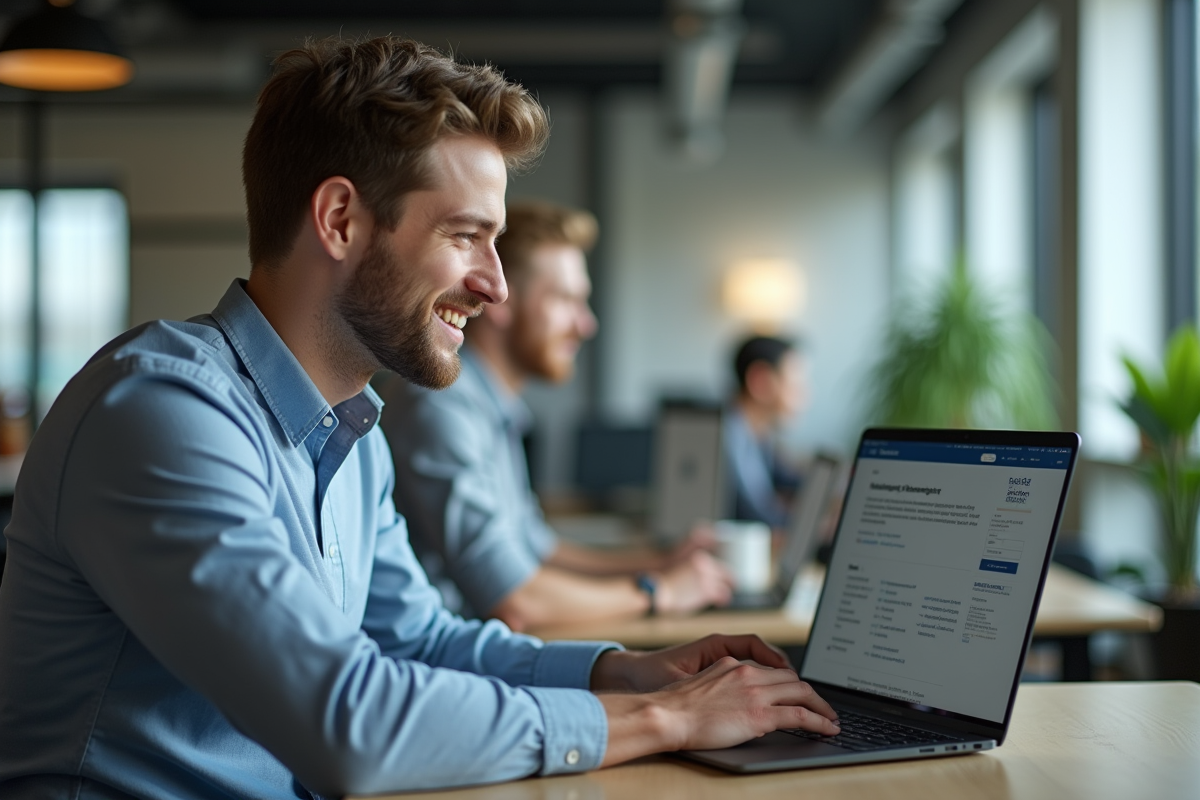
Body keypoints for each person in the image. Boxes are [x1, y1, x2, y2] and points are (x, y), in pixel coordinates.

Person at [0, 38, 839, 799]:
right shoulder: (160, 412)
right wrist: (671, 720)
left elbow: (421, 642)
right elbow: (346, 724)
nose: (496, 286)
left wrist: (628, 673)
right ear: (339, 221)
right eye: (466, 237)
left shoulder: (352, 432)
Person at [377, 200, 731, 631]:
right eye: (566, 300)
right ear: (502, 300)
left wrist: (661, 562)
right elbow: (516, 600)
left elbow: (537, 549)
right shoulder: (441, 406)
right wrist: (660, 590)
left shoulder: (492, 408)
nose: (586, 325)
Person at [724, 335, 808, 528]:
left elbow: (787, 478)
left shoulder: (757, 434)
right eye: (796, 384)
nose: (805, 396)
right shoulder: (728, 437)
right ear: (760, 381)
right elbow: (757, 518)